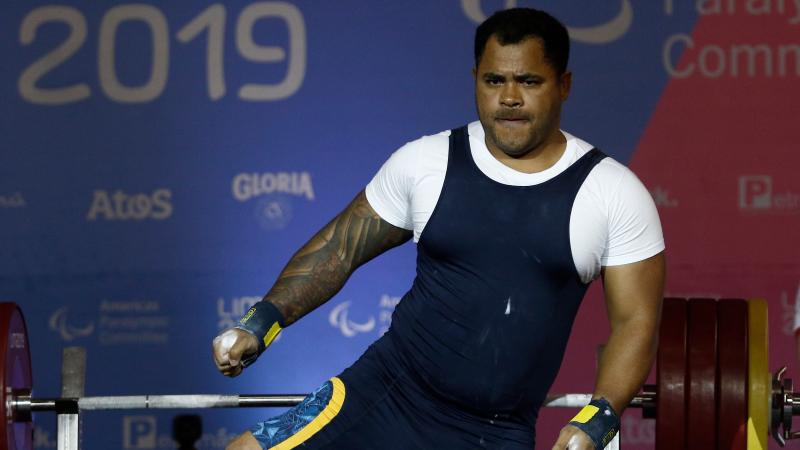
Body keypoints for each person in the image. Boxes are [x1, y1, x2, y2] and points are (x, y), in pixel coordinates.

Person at [212, 7, 665, 450]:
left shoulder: (613, 193)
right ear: (475, 81)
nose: (509, 98)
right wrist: (262, 323)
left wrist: (599, 417)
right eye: (494, 81)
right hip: (384, 393)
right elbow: (339, 249)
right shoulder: (426, 162)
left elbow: (635, 323)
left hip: (495, 431)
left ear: (563, 85)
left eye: (528, 81)